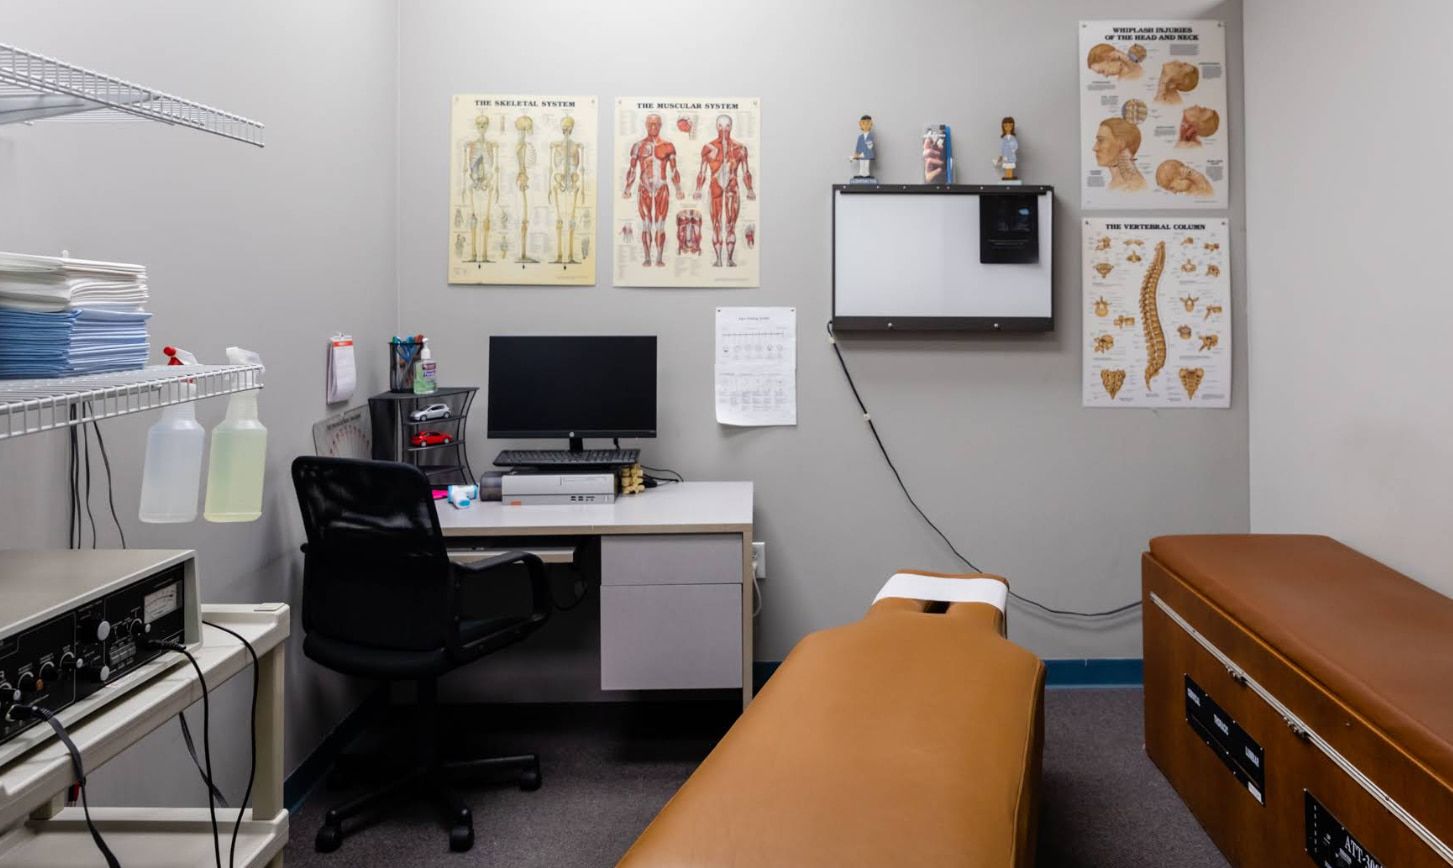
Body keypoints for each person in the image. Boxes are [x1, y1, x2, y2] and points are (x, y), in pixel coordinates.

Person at [693, 114, 755, 267]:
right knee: (716, 224)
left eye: (727, 126)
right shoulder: (708, 148)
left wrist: (750, 189)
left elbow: (746, 171)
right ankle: (718, 259)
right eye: (721, 126)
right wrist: (698, 189)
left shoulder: (740, 149)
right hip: (715, 188)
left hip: (732, 188)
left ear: (731, 127)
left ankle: (729, 259)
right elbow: (702, 171)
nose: (724, 129)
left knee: (730, 225)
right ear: (716, 127)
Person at [622, 114, 684, 267]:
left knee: (661, 224)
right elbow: (632, 169)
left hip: (662, 188)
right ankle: (648, 258)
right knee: (646, 224)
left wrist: (678, 189)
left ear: (661, 125)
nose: (653, 127)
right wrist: (627, 188)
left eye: (656, 124)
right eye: (650, 124)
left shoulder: (668, 146)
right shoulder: (638, 146)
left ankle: (659, 258)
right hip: (644, 189)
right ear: (646, 125)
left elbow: (674, 170)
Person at [1092, 117, 1145, 191]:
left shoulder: (1135, 187)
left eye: (1101, 140)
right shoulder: (1115, 186)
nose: (1095, 148)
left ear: (1121, 144)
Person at [851, 115, 876, 179]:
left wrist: (869, 145)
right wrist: (856, 153)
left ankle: (867, 173)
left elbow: (871, 146)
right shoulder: (860, 137)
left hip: (867, 153)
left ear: (871, 124)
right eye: (863, 123)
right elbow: (858, 145)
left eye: (867, 123)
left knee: (866, 163)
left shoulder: (870, 136)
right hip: (861, 153)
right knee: (862, 163)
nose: (865, 125)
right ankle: (861, 173)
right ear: (861, 125)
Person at [996, 116, 1019, 181]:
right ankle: (1007, 177)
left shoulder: (1013, 138)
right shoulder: (1004, 138)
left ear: (1012, 127)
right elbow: (1002, 147)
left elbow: (1016, 145)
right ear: (1003, 127)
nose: (1008, 128)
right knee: (1006, 166)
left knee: (1010, 167)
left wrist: (1012, 149)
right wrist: (1001, 155)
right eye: (1006, 126)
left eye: (1010, 126)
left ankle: (1010, 177)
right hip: (1005, 154)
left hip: (1011, 155)